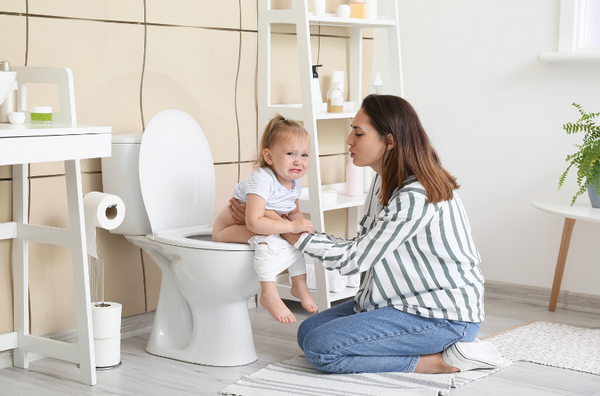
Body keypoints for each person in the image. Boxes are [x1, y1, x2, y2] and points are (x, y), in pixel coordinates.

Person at [230, 95, 506, 374]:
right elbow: (363, 246)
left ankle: (439, 362)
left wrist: (286, 229)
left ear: (389, 141)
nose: (349, 140)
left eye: (358, 133)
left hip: (441, 317)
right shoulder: (384, 181)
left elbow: (354, 259)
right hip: (398, 301)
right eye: (352, 130)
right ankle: (421, 347)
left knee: (320, 348)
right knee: (308, 332)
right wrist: (280, 222)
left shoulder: (414, 196)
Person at [213, 115, 318, 324]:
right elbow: (254, 222)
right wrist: (290, 225)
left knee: (295, 238)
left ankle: (299, 284)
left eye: (304, 155)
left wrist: (301, 226)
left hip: (257, 224)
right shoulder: (263, 180)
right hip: (227, 230)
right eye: (290, 153)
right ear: (269, 157)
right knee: (266, 238)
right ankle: (269, 293)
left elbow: (293, 211)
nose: (299, 161)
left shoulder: (292, 182)